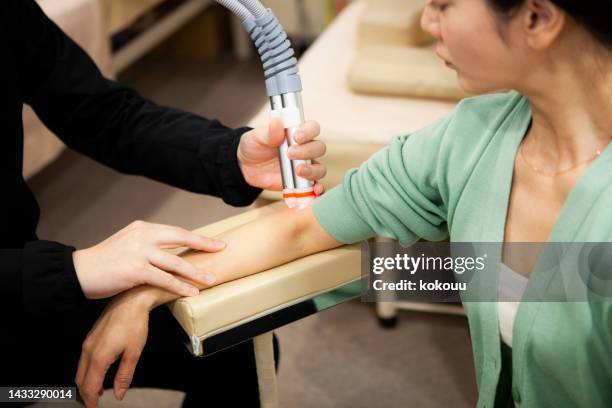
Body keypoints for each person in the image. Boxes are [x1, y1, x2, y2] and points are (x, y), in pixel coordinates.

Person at [81, 0, 612, 407]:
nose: (427, 20)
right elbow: (301, 229)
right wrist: (145, 289)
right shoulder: (472, 138)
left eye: (444, 4)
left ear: (538, 18)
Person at [0, 0, 326, 406]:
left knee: (228, 343)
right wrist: (72, 270)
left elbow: (104, 114)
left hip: (24, 293)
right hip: (19, 306)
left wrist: (230, 156)